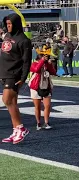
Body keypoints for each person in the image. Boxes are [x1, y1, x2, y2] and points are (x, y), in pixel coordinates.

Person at [0, 13, 32, 144]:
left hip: (14, 74)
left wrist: (23, 78)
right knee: (11, 102)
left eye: (10, 24)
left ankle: (21, 128)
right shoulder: (7, 36)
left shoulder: (24, 41)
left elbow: (26, 61)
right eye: (7, 24)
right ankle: (16, 130)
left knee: (6, 99)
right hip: (5, 72)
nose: (8, 26)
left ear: (16, 24)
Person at [28, 53, 56, 130]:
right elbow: (36, 69)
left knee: (47, 105)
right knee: (37, 106)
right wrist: (42, 61)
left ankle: (46, 122)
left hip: (46, 87)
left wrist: (49, 64)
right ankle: (38, 123)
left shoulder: (47, 65)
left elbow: (53, 72)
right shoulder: (34, 64)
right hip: (35, 87)